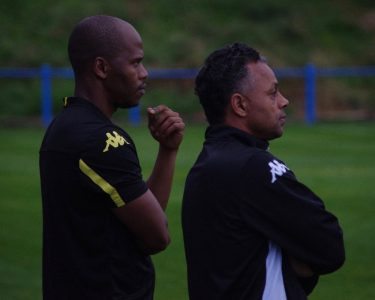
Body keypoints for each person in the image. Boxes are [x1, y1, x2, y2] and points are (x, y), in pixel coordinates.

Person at [181, 43, 345, 300]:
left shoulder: (205, 165)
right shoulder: (251, 167)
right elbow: (330, 244)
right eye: (272, 93)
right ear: (240, 105)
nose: (284, 101)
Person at [39, 15, 184, 300]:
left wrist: (167, 150)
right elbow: (156, 236)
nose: (144, 73)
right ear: (102, 68)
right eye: (135, 62)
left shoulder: (62, 127)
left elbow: (144, 216)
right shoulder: (102, 141)